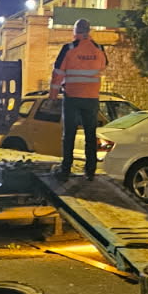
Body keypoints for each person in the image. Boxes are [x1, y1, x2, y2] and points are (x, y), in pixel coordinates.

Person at [50, 18, 108, 180]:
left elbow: (58, 74)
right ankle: (90, 171)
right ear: (89, 31)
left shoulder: (68, 49)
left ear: (75, 32)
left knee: (69, 135)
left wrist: (53, 96)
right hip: (91, 98)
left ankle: (65, 170)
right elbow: (103, 66)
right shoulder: (99, 49)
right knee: (91, 135)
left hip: (72, 97)